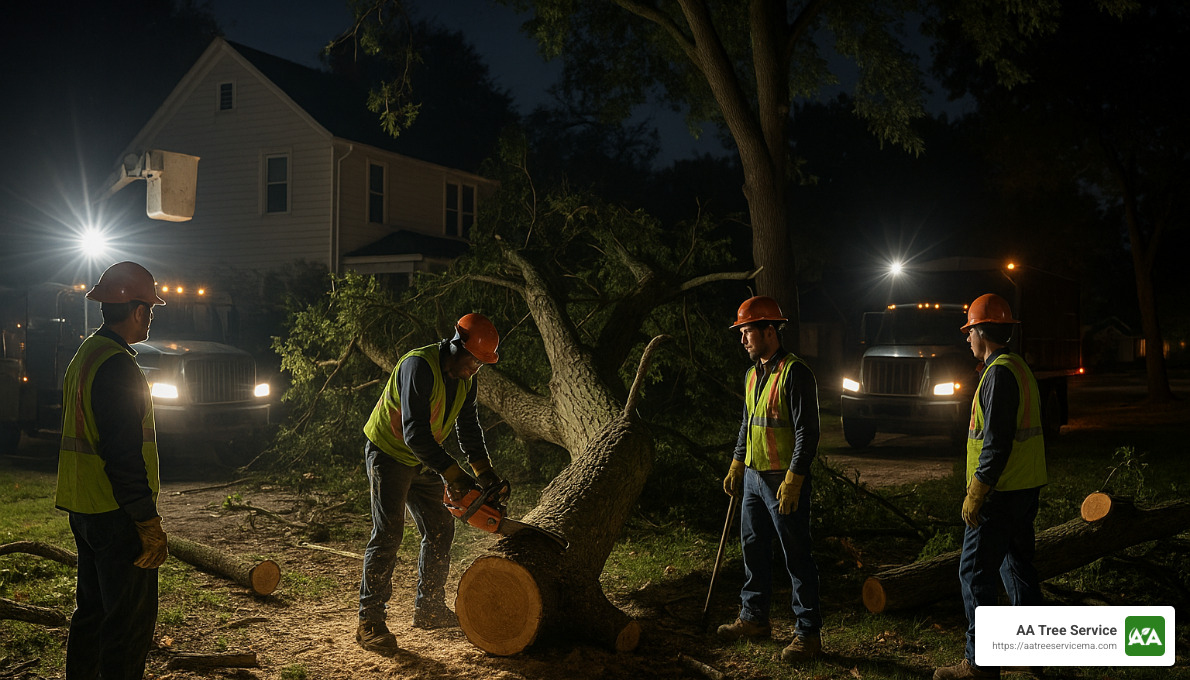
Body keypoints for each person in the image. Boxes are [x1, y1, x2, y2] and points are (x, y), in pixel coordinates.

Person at [355, 313, 506, 655]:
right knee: (389, 532)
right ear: (457, 347)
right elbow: (414, 433)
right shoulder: (418, 366)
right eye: (474, 361)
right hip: (389, 451)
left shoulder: (467, 379)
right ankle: (370, 620)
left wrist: (485, 473)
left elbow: (468, 427)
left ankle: (429, 607)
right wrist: (453, 475)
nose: (476, 369)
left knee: (441, 527)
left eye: (483, 364)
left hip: (423, 457)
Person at [56, 261, 169, 679]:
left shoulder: (87, 354)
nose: (151, 317)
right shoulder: (119, 367)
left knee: (93, 614)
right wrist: (146, 520)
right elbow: (122, 456)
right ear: (138, 311)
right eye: (151, 309)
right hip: (116, 513)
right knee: (127, 626)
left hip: (85, 508)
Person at [934, 294, 1047, 680]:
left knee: (974, 574)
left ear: (982, 331)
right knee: (1017, 570)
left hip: (998, 495)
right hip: (1023, 488)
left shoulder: (998, 373)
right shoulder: (1019, 367)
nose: (967, 340)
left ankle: (979, 663)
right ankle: (1035, 653)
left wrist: (977, 490)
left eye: (969, 332)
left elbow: (996, 442)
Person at [716, 296, 823, 663]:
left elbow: (808, 432)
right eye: (742, 332)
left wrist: (795, 477)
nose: (742, 339)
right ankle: (754, 619)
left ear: (769, 331)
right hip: (753, 478)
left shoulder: (795, 373)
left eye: (747, 332)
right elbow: (748, 423)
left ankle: (808, 634)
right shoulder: (751, 375)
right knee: (753, 549)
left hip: (782, 481)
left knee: (797, 556)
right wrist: (736, 462)